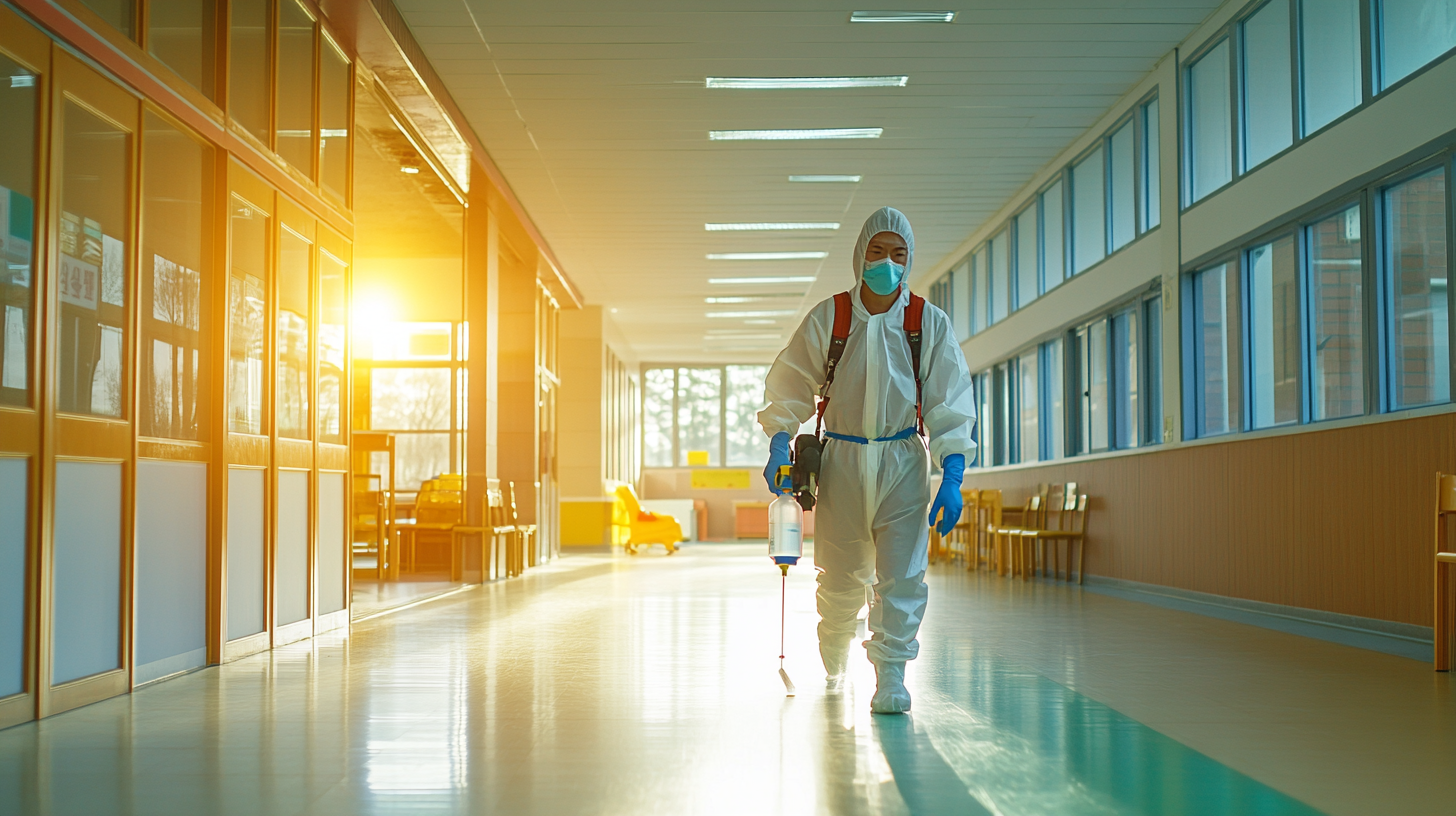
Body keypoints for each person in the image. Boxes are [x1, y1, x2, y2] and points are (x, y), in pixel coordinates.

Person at [756, 207, 977, 714]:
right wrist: (778, 441)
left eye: (899, 255)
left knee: (902, 575)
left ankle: (892, 676)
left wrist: (954, 473)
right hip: (842, 462)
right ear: (859, 256)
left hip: (903, 461)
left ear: (910, 260)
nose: (887, 264)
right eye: (877, 253)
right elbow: (791, 384)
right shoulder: (831, 317)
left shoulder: (926, 322)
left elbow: (950, 401)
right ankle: (834, 651)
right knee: (840, 578)